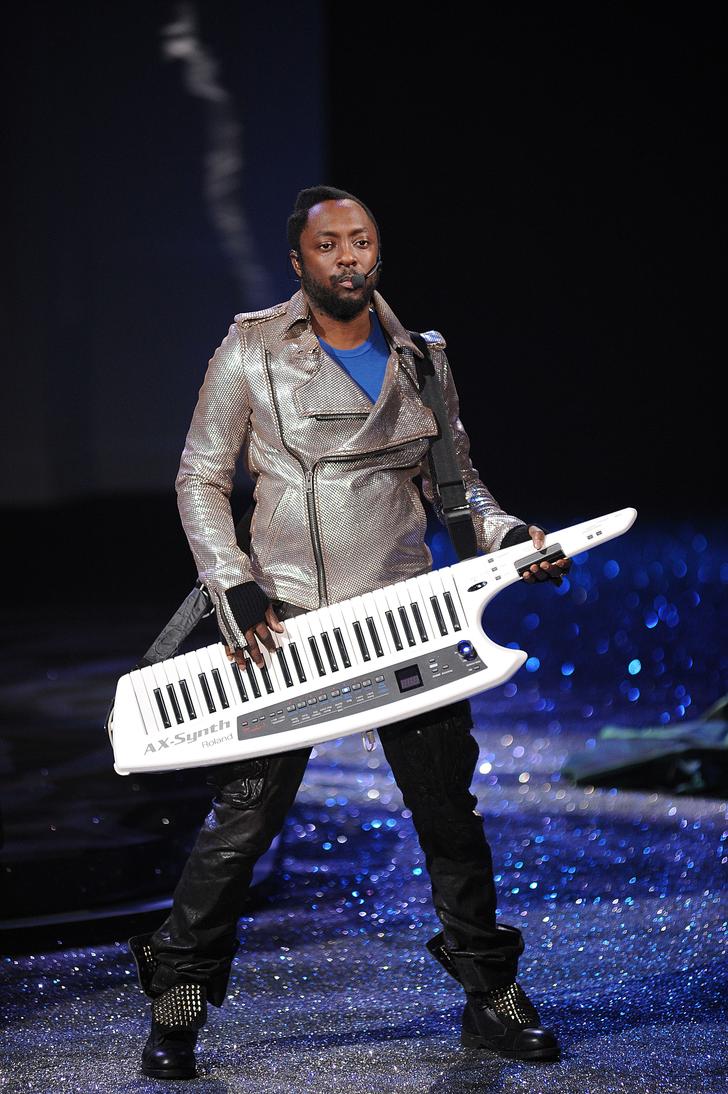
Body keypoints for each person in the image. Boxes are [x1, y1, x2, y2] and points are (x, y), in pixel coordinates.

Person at [130, 185, 571, 1079]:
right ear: (298, 260)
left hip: (402, 618)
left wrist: (507, 540)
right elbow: (200, 477)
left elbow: (456, 486)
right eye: (329, 245)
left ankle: (490, 993)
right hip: (286, 627)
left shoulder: (420, 357)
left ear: (378, 251)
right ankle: (177, 1001)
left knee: (448, 814)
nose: (348, 258)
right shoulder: (252, 348)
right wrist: (233, 585)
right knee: (243, 824)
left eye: (361, 241)